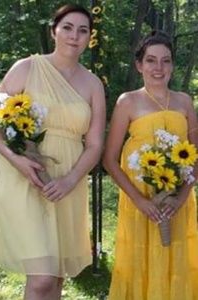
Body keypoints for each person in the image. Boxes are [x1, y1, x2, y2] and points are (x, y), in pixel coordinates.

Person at [0, 4, 106, 300]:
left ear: (90, 37)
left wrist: (70, 180)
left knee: (54, 280)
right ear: (54, 31)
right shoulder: (26, 68)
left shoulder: (93, 84)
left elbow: (94, 145)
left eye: (83, 30)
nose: (74, 36)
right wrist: (18, 161)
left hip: (68, 181)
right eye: (67, 27)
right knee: (41, 279)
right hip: (25, 178)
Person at [103, 30, 198, 299]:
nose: (159, 68)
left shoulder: (185, 102)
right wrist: (140, 201)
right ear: (139, 64)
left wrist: (180, 197)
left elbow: (195, 156)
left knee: (176, 259)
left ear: (172, 65)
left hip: (176, 202)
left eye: (166, 60)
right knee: (140, 260)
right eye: (151, 60)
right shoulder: (128, 101)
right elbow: (110, 159)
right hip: (140, 202)